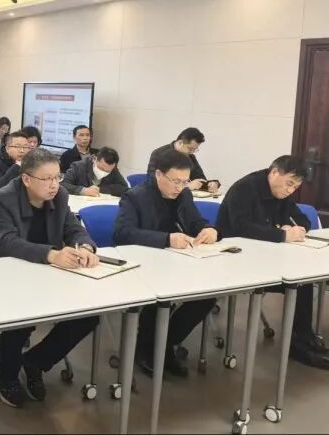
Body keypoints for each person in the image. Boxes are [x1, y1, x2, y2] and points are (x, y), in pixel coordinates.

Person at [0, 148, 99, 407]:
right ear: (26, 179)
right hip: (3, 270)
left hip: (45, 272)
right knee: (24, 313)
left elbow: (73, 228)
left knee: (89, 315)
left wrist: (86, 247)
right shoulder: (4, 198)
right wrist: (52, 255)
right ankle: (6, 370)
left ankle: (36, 362)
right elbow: (8, 242)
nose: (54, 185)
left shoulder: (60, 195)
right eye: (47, 179)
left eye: (57, 177)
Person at [113, 147, 218, 377]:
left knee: (207, 297)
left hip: (179, 262)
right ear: (159, 174)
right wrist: (167, 239)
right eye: (175, 181)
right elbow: (123, 233)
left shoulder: (184, 195)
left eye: (185, 182)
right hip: (145, 264)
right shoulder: (135, 196)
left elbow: (195, 222)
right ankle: (150, 349)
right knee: (159, 300)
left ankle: (162, 344)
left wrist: (208, 229)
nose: (179, 187)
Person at [217, 155, 329, 369]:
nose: (290, 190)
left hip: (267, 257)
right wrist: (282, 235)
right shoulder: (245, 189)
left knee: (302, 280)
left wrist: (297, 229)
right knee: (299, 282)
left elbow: (302, 219)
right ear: (275, 172)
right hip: (236, 260)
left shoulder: (281, 192)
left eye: (295, 187)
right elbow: (241, 228)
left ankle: (303, 341)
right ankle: (301, 345)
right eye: (289, 184)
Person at [147, 128, 220, 193]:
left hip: (184, 197)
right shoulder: (159, 153)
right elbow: (152, 180)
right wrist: (186, 186)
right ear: (180, 143)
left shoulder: (190, 157)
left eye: (194, 149)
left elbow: (200, 179)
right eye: (190, 149)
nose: (191, 152)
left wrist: (210, 184)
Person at [62, 147, 129, 197]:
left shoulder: (113, 169)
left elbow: (124, 188)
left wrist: (100, 189)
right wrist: (84, 190)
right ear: (94, 159)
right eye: (101, 168)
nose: (103, 172)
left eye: (107, 171)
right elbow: (63, 185)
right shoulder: (78, 166)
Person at [0, 130, 33, 195]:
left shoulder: (28, 162)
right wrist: (16, 167)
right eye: (17, 146)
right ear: (7, 148)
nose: (22, 150)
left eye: (25, 147)